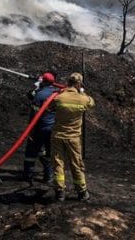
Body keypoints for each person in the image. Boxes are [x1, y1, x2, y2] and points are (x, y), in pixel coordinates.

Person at [51, 72, 94, 202]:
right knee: (76, 164)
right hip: (74, 138)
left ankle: (60, 193)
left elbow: (49, 108)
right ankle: (82, 192)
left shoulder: (59, 98)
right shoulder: (83, 99)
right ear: (79, 83)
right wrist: (82, 93)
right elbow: (91, 103)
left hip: (57, 136)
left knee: (58, 164)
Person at [22, 72, 59, 183]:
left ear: (44, 81)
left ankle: (28, 175)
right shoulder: (57, 93)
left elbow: (34, 112)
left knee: (31, 151)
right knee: (48, 152)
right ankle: (49, 176)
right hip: (51, 128)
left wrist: (30, 129)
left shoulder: (40, 94)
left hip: (39, 128)